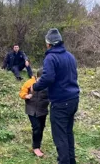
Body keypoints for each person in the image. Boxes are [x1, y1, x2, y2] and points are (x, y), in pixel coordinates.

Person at [31, 28, 80, 164]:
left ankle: (64, 161)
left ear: (48, 44)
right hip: (73, 100)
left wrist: (34, 86)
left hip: (61, 102)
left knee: (60, 136)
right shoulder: (70, 56)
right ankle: (71, 161)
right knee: (68, 132)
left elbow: (48, 78)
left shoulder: (50, 57)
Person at [19, 68, 49, 157]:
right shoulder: (29, 82)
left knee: (41, 127)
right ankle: (36, 147)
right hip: (31, 109)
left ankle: (38, 145)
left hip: (43, 109)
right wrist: (25, 95)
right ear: (37, 77)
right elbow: (22, 92)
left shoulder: (49, 83)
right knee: (36, 127)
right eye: (41, 80)